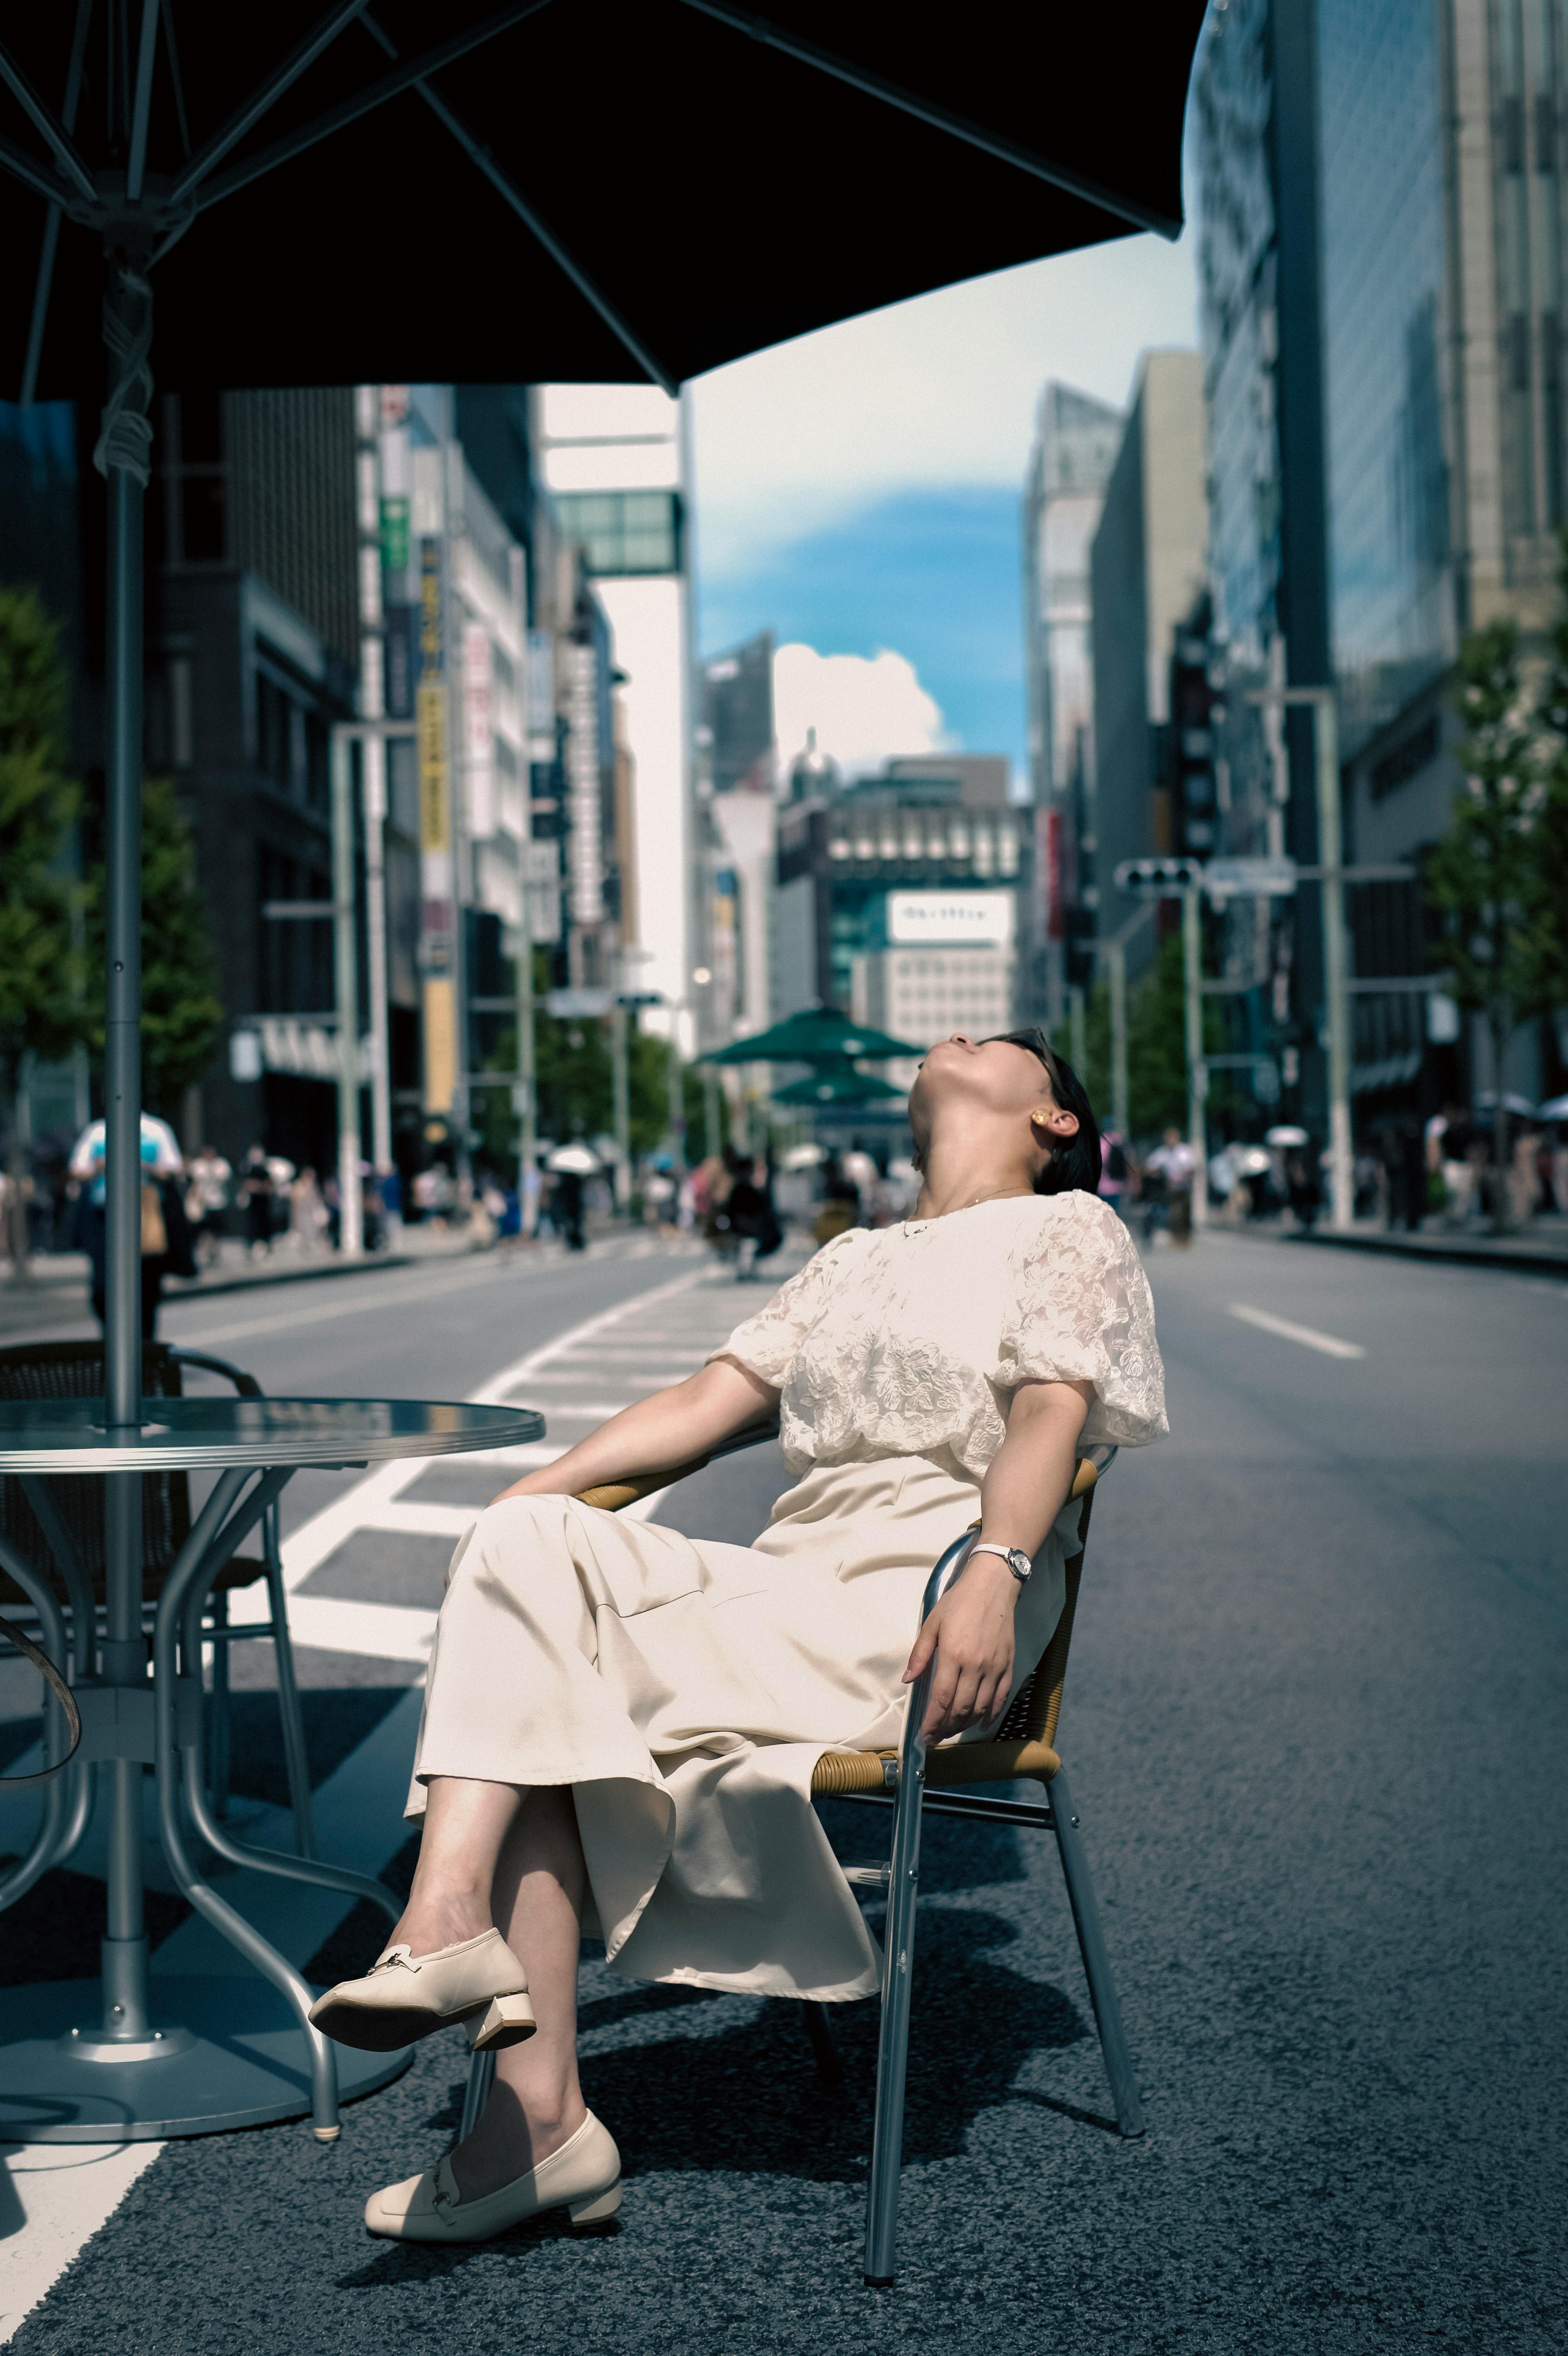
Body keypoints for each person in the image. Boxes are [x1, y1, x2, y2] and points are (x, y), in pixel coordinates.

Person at [308, 1029, 1168, 2245]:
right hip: (781, 1598)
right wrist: (526, 1500)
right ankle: (530, 2098)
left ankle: (481, 2005)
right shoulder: (849, 1259)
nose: (954, 1039)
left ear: (1057, 1120)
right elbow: (699, 1408)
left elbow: (1049, 1410)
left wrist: (996, 1563)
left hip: (914, 1618)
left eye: (995, 1038)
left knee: (530, 1616)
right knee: (523, 1571)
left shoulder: (1068, 1231)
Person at [72, 1132, 197, 1337]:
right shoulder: (95, 1132)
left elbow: (174, 1170)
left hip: (146, 1215)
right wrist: (102, 1166)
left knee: (146, 1285)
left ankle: (145, 1344)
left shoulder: (156, 1130)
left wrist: (143, 1166)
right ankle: (113, 1339)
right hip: (104, 1217)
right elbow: (78, 1170)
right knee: (103, 1287)